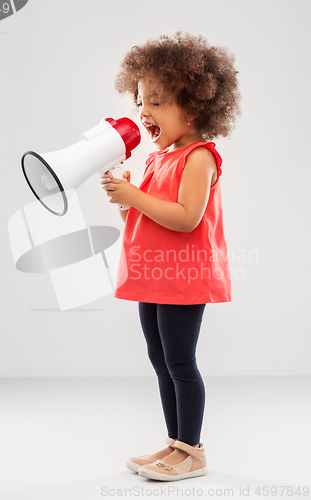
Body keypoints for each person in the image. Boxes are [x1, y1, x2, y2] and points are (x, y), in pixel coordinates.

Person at [100, 32, 241, 481]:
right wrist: (125, 201)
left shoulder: (199, 158)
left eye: (157, 102)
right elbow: (143, 224)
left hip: (183, 278)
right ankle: (174, 442)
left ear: (195, 107)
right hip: (153, 275)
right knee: (160, 360)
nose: (143, 112)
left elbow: (184, 219)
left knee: (180, 362)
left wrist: (133, 196)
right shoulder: (159, 157)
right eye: (141, 100)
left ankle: (192, 451)